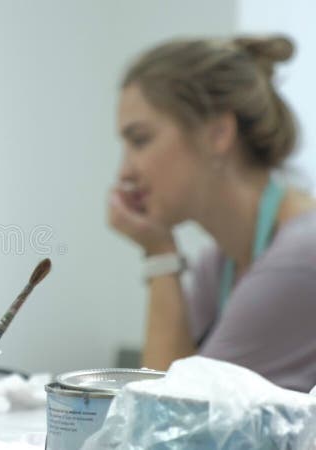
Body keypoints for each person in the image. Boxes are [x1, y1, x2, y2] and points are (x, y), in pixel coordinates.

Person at [109, 35, 316, 392]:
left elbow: (168, 421)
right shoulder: (220, 264)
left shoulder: (297, 261)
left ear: (218, 133)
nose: (124, 173)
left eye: (140, 140)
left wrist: (160, 254)